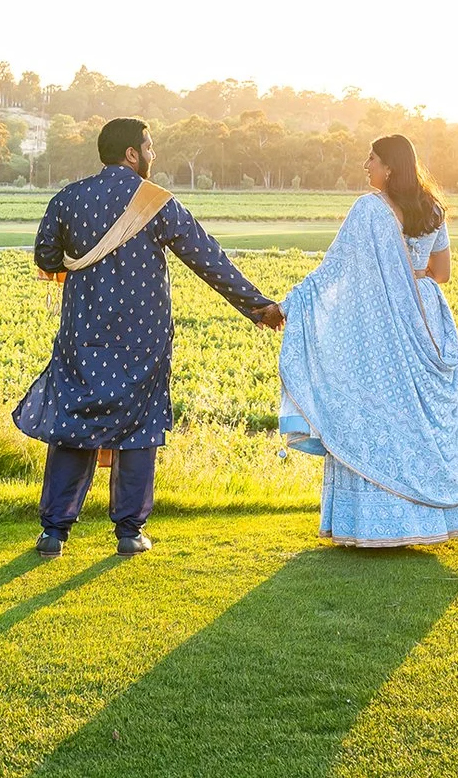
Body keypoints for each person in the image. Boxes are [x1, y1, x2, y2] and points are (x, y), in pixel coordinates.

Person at [15, 117, 284, 558]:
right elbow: (206, 257)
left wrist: (85, 269)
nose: (153, 156)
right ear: (132, 155)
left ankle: (53, 533)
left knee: (72, 424)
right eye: (150, 147)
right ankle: (130, 533)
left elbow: (46, 256)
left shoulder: (68, 198)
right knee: (138, 428)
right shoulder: (156, 203)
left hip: (82, 336)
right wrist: (257, 306)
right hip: (143, 339)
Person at [277, 134, 458, 546]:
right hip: (428, 318)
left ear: (390, 167)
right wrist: (409, 278)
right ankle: (435, 519)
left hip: (385, 321)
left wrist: (288, 306)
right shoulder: (433, 208)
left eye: (372, 159)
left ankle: (381, 523)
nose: (366, 166)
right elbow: (443, 273)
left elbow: (334, 269)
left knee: (382, 410)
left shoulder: (369, 209)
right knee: (426, 419)